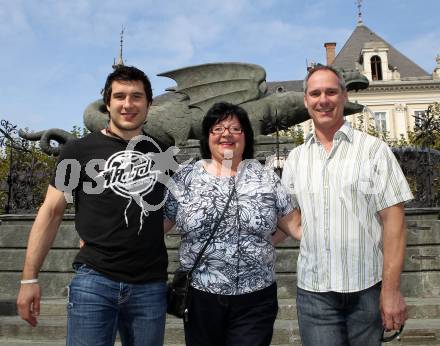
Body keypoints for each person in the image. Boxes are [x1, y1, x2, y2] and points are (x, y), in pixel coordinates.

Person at [17, 66, 168, 346]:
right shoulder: (78, 151)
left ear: (149, 103)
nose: (127, 104)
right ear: (107, 103)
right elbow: (51, 211)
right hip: (95, 282)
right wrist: (28, 280)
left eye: (136, 96)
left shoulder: (160, 153)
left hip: (150, 285)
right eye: (120, 96)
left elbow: (166, 212)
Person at [281, 65, 414, 345]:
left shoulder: (374, 150)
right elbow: (290, 222)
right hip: (314, 293)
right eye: (315, 93)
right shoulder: (295, 159)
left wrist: (390, 291)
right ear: (306, 100)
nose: (323, 100)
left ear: (344, 96)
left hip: (366, 289)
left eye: (331, 91)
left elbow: (395, 222)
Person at [163, 101, 301, 346]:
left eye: (235, 129)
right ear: (207, 137)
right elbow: (156, 227)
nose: (226, 134)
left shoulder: (266, 177)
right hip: (200, 296)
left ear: (245, 136)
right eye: (217, 129)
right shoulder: (186, 177)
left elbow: (294, 227)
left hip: (255, 298)